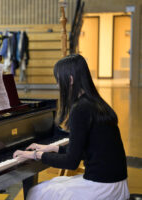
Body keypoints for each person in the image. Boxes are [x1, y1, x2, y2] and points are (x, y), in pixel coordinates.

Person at [13, 54, 129, 200]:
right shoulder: (95, 103)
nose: (57, 85)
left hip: (102, 187)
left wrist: (35, 155)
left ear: (71, 80)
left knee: (36, 193)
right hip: (117, 184)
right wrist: (52, 148)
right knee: (52, 184)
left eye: (58, 80)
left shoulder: (80, 109)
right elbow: (83, 151)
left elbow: (71, 162)